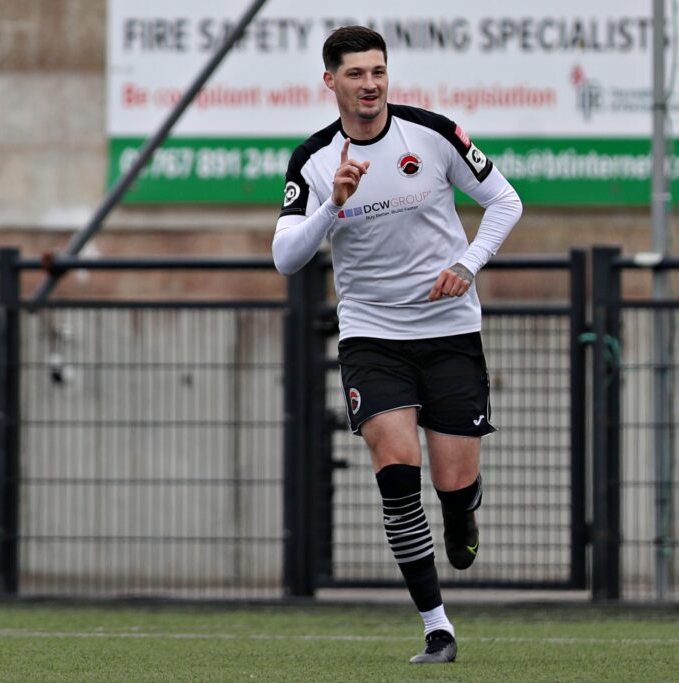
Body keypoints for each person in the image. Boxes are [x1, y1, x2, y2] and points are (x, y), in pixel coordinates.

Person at [272, 25, 522, 664]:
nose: (371, 85)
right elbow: (286, 258)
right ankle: (438, 627)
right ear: (331, 82)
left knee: (453, 483)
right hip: (372, 337)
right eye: (356, 74)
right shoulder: (314, 160)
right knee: (396, 473)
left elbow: (505, 201)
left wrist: (467, 264)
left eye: (378, 71)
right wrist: (333, 206)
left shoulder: (431, 134)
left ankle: (463, 515)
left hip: (449, 331)